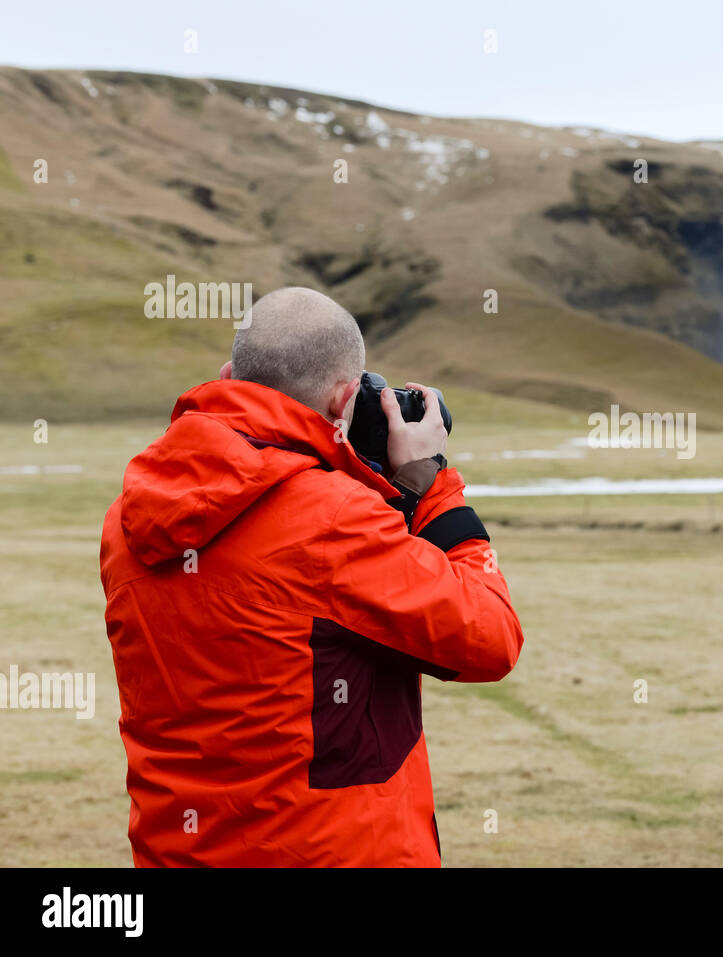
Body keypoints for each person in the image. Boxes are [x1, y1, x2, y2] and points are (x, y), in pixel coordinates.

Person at [99, 287, 523, 866]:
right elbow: (490, 639)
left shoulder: (130, 515)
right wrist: (431, 488)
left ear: (229, 374)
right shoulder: (336, 520)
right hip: (331, 851)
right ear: (347, 399)